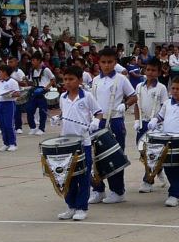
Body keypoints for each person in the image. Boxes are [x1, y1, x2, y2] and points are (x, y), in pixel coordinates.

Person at [89, 47, 138, 204]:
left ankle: (118, 191)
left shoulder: (121, 79)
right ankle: (98, 189)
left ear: (115, 62)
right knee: (95, 157)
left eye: (110, 62)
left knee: (114, 157)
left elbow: (133, 96)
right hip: (98, 121)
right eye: (103, 62)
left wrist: (125, 104)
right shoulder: (95, 81)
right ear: (99, 63)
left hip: (115, 120)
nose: (106, 65)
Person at [57, 64, 104, 221]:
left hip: (83, 142)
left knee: (83, 176)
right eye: (65, 79)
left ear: (80, 80)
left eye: (71, 79)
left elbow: (98, 113)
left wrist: (95, 122)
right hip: (66, 142)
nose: (67, 82)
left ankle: (82, 207)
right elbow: (64, 113)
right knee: (68, 177)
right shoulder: (62, 98)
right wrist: (58, 118)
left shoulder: (87, 96)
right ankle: (71, 206)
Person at [147, 75, 179, 206]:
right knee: (168, 166)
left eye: (178, 89)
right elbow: (161, 115)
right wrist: (155, 120)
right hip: (166, 139)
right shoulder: (168, 103)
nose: (175, 91)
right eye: (173, 88)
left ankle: (174, 193)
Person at [135, 57, 169, 193]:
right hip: (142, 123)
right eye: (148, 70)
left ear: (159, 73)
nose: (150, 73)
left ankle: (148, 180)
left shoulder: (161, 88)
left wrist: (157, 120)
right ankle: (158, 169)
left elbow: (165, 107)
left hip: (155, 124)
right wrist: (137, 120)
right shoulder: (139, 86)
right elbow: (137, 105)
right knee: (142, 151)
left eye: (153, 70)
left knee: (152, 153)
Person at [26, 54, 55, 135]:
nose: (32, 62)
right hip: (35, 91)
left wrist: (47, 87)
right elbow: (31, 83)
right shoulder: (32, 71)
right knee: (29, 109)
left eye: (34, 60)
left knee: (43, 111)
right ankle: (32, 127)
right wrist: (26, 81)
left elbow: (53, 79)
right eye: (31, 61)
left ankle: (41, 128)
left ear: (39, 61)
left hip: (43, 91)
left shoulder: (46, 70)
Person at [0, 65, 20, 152]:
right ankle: (6, 143)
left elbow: (17, 93)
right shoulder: (0, 82)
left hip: (8, 104)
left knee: (8, 124)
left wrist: (9, 95)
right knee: (2, 125)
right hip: (0, 103)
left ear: (4, 72)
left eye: (0, 72)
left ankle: (12, 143)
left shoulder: (12, 82)